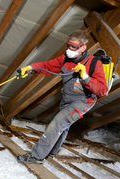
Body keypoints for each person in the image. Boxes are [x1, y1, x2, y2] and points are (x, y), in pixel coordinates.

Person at [17, 30, 108, 164]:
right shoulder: (65, 59)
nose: (69, 49)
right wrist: (30, 68)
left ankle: (37, 156)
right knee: (63, 126)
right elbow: (46, 66)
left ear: (83, 47)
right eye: (68, 45)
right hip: (67, 98)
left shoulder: (94, 64)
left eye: (74, 47)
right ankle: (52, 152)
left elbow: (102, 91)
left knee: (57, 123)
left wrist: (85, 77)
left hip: (83, 101)